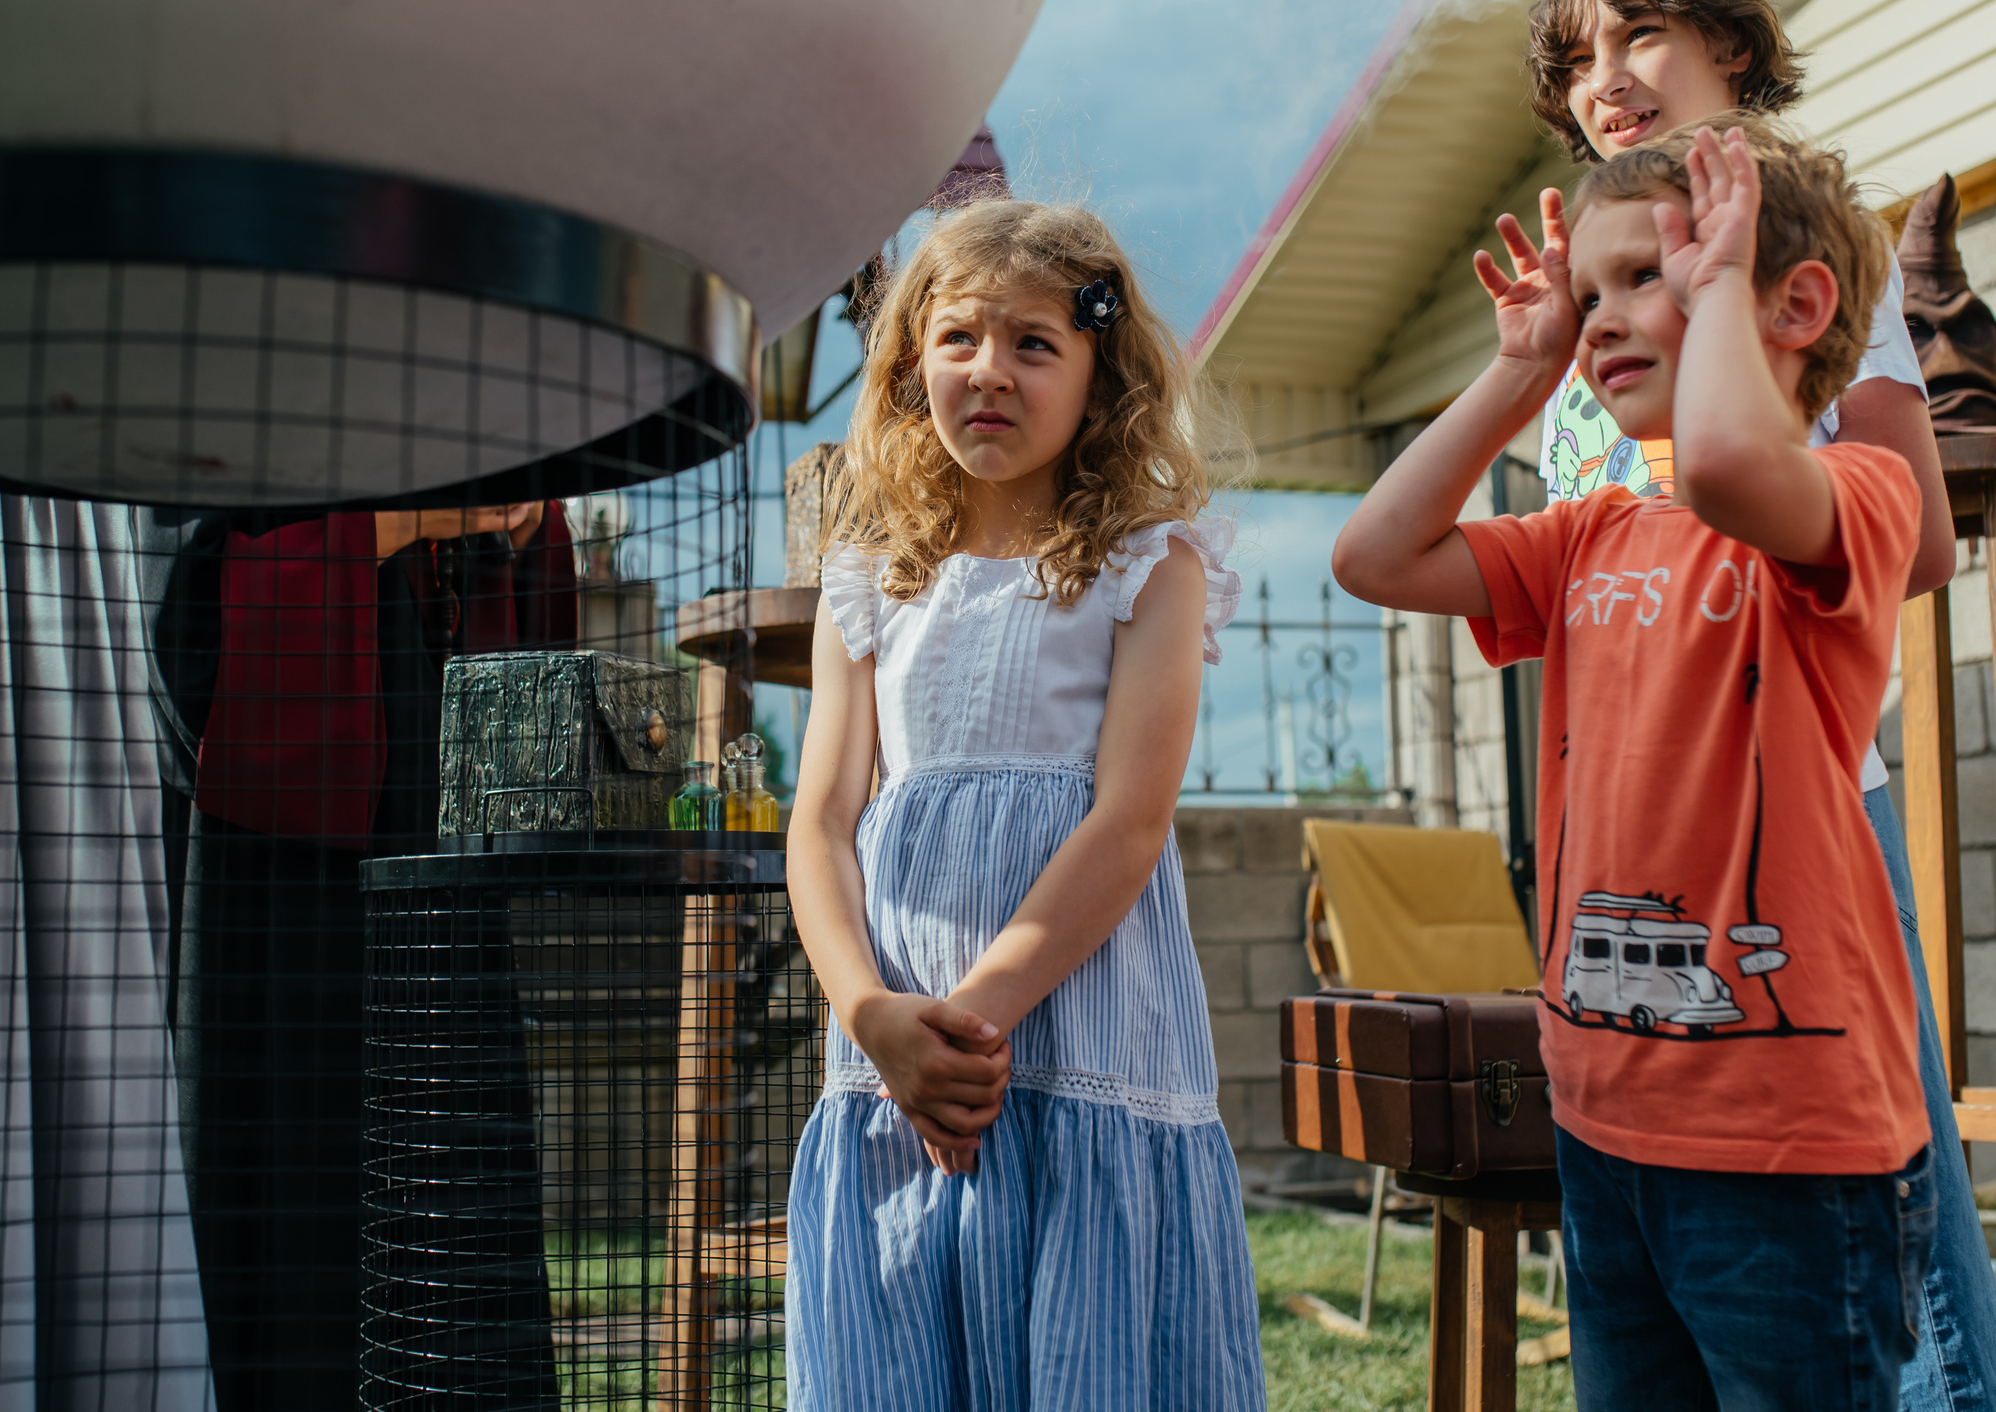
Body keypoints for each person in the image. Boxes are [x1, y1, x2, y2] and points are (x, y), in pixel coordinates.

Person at [1333, 119, 1933, 1408]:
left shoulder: (1859, 493)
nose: (1598, 315)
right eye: (1586, 289)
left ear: (1796, 304)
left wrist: (1716, 289)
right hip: (1603, 1121)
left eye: (1646, 274)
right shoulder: (1585, 534)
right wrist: (1517, 373)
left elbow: (1726, 462)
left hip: (1785, 1143)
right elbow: (1372, 554)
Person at [1510, 0, 1996, 1412]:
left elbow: (1912, 537)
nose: (1605, 77)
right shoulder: (1603, 293)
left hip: (1797, 804)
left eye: (1639, 36)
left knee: (1893, 1223)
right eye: (1575, 60)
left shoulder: (1795, 251)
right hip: (1632, 827)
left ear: (1733, 47)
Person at [781, 200, 1265, 1410]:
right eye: (957, 338)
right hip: (894, 1038)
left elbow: (1127, 821)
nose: (988, 370)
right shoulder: (869, 574)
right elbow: (824, 819)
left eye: (1035, 342)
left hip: (1070, 1024)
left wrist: (969, 1028)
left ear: (1100, 377)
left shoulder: (1151, 565)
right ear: (909, 365)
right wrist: (876, 1017)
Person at [150, 500, 575, 1410]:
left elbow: (519, 667)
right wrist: (392, 526)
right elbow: (186, 590)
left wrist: (527, 519)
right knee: (296, 1204)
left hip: (430, 830)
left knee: (456, 1184)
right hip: (280, 885)